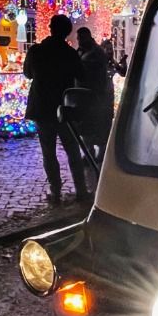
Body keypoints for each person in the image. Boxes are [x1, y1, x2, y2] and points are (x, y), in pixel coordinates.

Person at [24, 13, 89, 203]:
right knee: (72, 150)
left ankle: (56, 191)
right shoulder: (70, 54)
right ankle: (81, 190)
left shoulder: (37, 51)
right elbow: (82, 76)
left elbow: (28, 74)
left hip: (43, 107)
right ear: (67, 32)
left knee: (49, 152)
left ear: (51, 28)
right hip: (64, 107)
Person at [76, 26, 116, 157]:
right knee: (86, 127)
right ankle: (90, 152)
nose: (78, 40)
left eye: (80, 38)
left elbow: (97, 74)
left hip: (97, 95)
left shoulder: (96, 52)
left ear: (86, 37)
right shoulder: (81, 51)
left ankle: (100, 152)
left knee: (99, 125)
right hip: (84, 95)